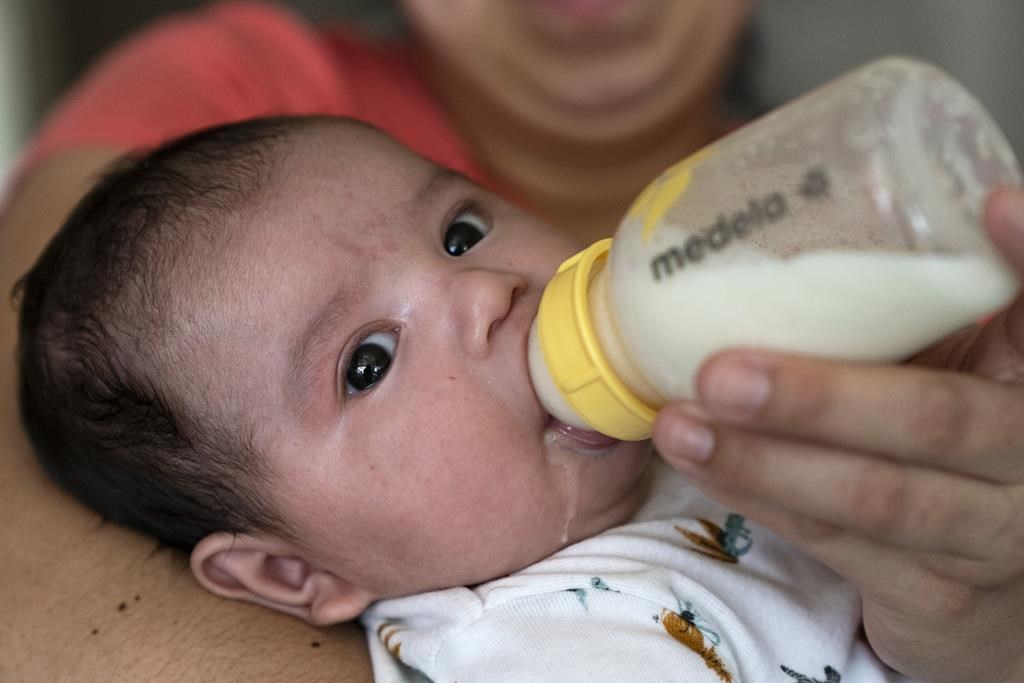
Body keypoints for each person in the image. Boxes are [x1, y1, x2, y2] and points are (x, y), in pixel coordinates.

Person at [1, 1, 1022, 680]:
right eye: (368, 361)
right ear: (290, 578)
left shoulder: (742, 423)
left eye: (461, 230)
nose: (485, 292)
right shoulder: (526, 648)